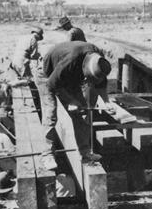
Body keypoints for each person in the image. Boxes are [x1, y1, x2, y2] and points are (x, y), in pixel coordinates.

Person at [39, 41, 112, 169]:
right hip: (48, 75)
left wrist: (107, 102)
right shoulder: (71, 59)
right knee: (51, 114)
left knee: (83, 112)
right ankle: (47, 155)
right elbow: (52, 84)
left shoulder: (98, 59)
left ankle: (85, 153)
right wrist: (70, 101)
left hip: (70, 77)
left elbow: (101, 83)